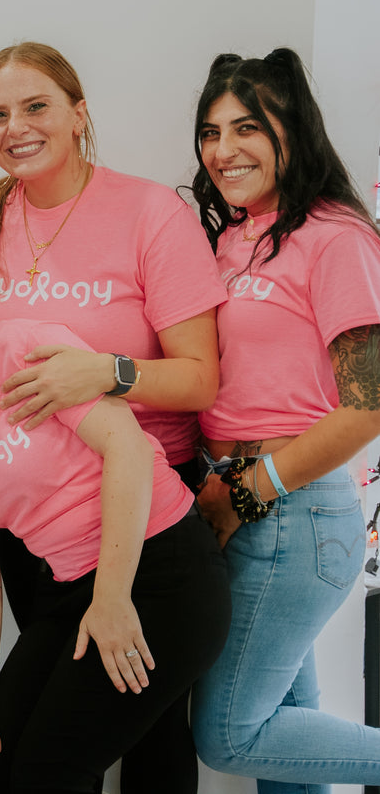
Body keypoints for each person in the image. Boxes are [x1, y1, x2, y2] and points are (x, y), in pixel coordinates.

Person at [0, 41, 227, 791]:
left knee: (148, 727)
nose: (16, 126)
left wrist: (103, 375)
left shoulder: (148, 213)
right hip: (32, 524)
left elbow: (200, 378)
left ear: (78, 113)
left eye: (36, 105)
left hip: (140, 502)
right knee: (66, 730)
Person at [0, 250, 230, 793]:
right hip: (68, 588)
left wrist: (111, 599)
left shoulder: (20, 349)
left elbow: (127, 447)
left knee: (49, 775)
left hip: (160, 571)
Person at [187, 49, 380, 789]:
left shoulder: (335, 238)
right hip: (240, 500)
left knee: (233, 734)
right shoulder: (239, 233)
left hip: (289, 514)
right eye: (209, 131)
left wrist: (249, 488)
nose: (222, 149)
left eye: (245, 127)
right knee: (287, 723)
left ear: (291, 131)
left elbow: (368, 403)